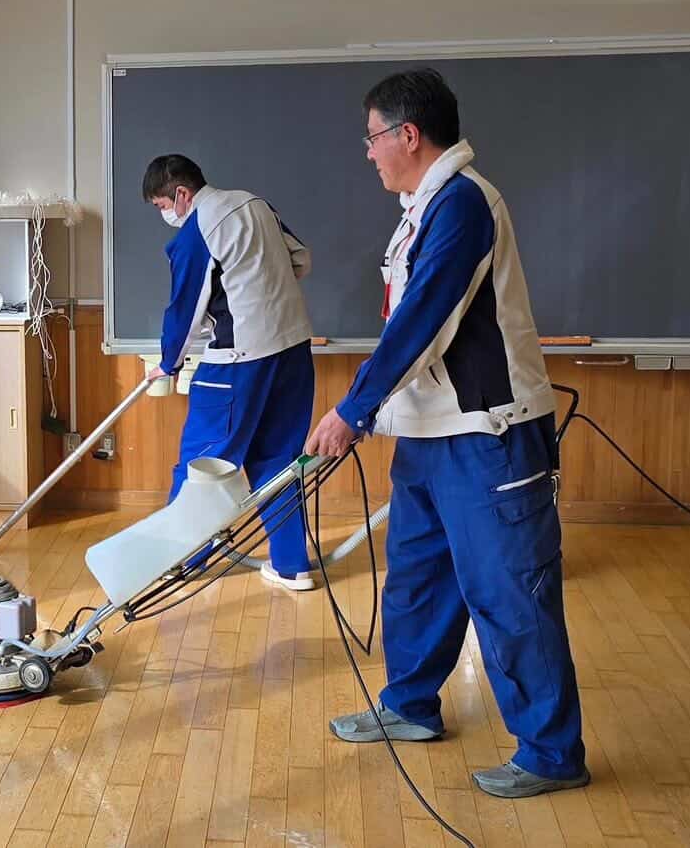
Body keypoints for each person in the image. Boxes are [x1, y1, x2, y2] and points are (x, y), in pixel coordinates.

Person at [305, 69, 590, 798]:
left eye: (371, 138)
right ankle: (409, 706)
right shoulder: (420, 206)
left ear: (407, 134)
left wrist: (353, 410)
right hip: (429, 436)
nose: (366, 152)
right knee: (417, 582)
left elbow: (422, 318)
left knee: (509, 594)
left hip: (487, 437)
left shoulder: (463, 203)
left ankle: (551, 754)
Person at [143, 154, 316, 591]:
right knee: (279, 461)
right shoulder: (256, 204)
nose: (165, 213)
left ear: (181, 194)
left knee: (204, 465)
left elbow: (184, 310)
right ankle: (292, 566)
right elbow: (301, 260)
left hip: (239, 363)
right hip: (293, 350)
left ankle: (181, 561)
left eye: (163, 204)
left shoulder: (197, 229)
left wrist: (167, 363)